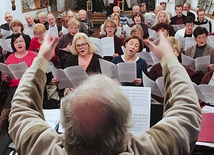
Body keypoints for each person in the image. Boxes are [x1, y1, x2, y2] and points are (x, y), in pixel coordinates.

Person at [8, 30, 201, 155]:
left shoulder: (43, 150)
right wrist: (169, 59)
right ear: (126, 124)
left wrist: (40, 60)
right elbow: (186, 111)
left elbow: (21, 111)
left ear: (66, 125)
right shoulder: (152, 150)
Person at [0, 33, 37, 131]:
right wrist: (6, 79)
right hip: (14, 89)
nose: (18, 43)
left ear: (25, 43)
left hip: (29, 87)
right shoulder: (10, 58)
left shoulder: (33, 56)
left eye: (21, 41)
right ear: (13, 44)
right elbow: (5, 79)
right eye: (16, 42)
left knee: (24, 114)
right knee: (4, 116)